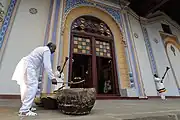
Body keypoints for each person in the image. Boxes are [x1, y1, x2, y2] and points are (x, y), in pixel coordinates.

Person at [12, 42, 57, 116]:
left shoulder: (41, 48)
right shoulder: (46, 50)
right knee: (33, 86)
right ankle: (25, 110)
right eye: (54, 49)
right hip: (28, 66)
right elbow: (47, 65)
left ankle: (26, 107)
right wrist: (52, 78)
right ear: (51, 47)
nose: (54, 51)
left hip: (25, 65)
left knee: (26, 87)